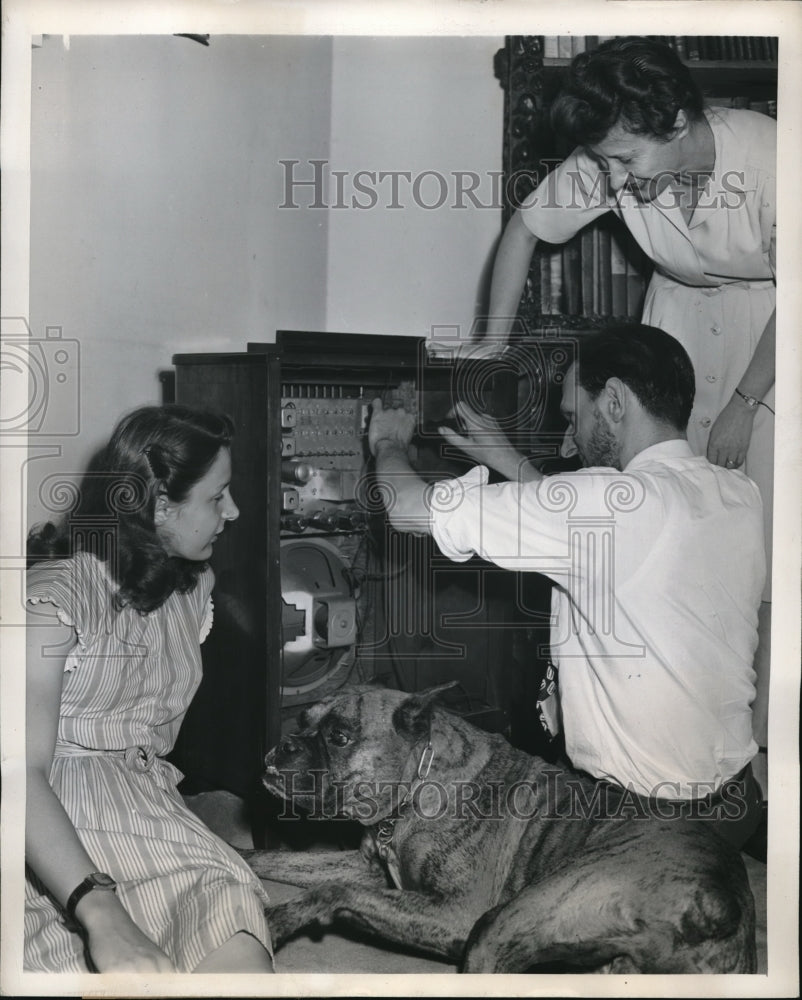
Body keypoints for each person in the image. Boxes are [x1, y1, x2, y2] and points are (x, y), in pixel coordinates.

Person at [446, 35, 775, 783]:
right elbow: (528, 227)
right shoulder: (614, 152)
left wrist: (748, 403)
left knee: (757, 546)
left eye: (626, 161)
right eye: (606, 164)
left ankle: (753, 761)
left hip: (773, 333)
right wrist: (492, 338)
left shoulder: (772, 157)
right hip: (680, 324)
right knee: (646, 515)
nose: (612, 180)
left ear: (680, 119)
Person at [371, 324, 765, 847]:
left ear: (617, 401)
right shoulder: (737, 493)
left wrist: (386, 443)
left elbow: (405, 509)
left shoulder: (603, 503)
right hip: (734, 808)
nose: (567, 439)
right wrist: (507, 460)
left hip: (641, 826)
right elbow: (610, 530)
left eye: (574, 417)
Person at [25, 404, 274, 973]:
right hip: (47, 823)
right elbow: (17, 770)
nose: (232, 512)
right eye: (217, 497)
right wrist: (101, 909)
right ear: (160, 506)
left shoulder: (192, 589)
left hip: (149, 809)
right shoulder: (52, 597)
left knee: (234, 933)